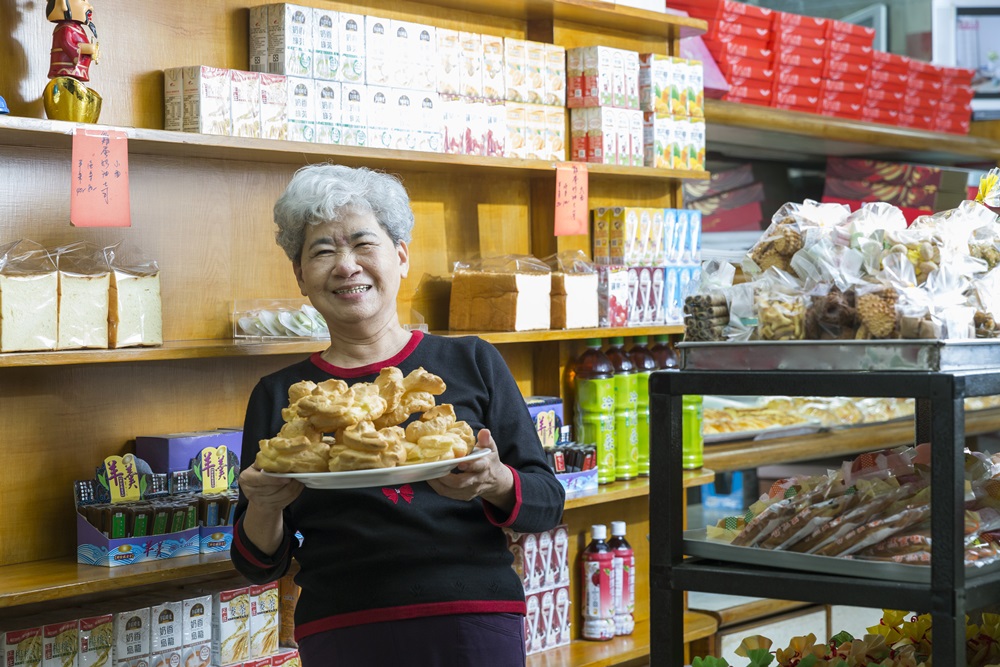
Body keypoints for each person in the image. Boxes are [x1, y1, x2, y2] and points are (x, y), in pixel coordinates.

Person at [232, 164, 566, 666]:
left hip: (471, 615)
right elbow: (256, 564)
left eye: (364, 244)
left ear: (402, 256)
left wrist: (494, 480)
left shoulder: (472, 361)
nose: (346, 266)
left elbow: (547, 502)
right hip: (343, 626)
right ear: (301, 276)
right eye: (323, 251)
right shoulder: (282, 396)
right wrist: (263, 505)